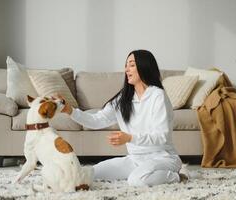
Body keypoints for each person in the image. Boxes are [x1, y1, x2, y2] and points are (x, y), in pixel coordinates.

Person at [60, 49, 183, 187]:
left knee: (137, 180)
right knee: (89, 173)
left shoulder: (157, 96)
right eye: (126, 65)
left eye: (131, 64)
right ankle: (145, 172)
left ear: (144, 66)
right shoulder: (123, 99)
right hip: (135, 160)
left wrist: (130, 138)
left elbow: (162, 136)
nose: (126, 69)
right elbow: (96, 120)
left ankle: (177, 176)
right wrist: (70, 111)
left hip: (163, 158)